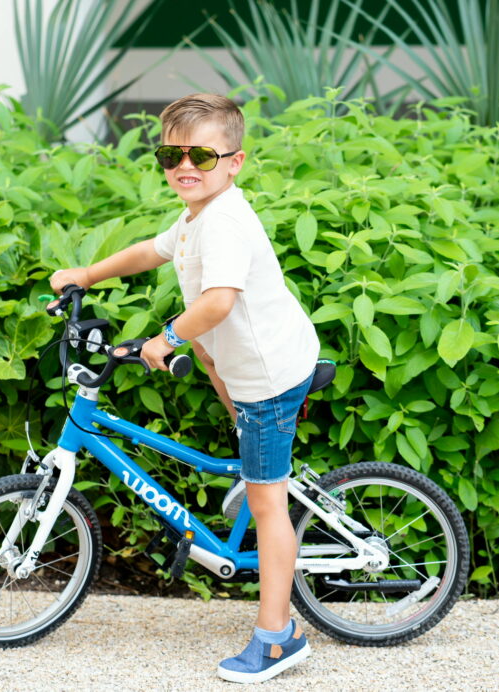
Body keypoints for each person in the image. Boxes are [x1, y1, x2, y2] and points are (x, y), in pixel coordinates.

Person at [51, 93, 320, 684]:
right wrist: (86, 274)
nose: (184, 165)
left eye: (201, 152)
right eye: (170, 155)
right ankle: (254, 471)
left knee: (267, 503)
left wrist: (165, 337)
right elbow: (153, 250)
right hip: (248, 364)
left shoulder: (224, 222)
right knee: (209, 355)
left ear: (234, 161)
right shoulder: (199, 214)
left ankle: (279, 639)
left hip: (271, 374)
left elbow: (219, 301)